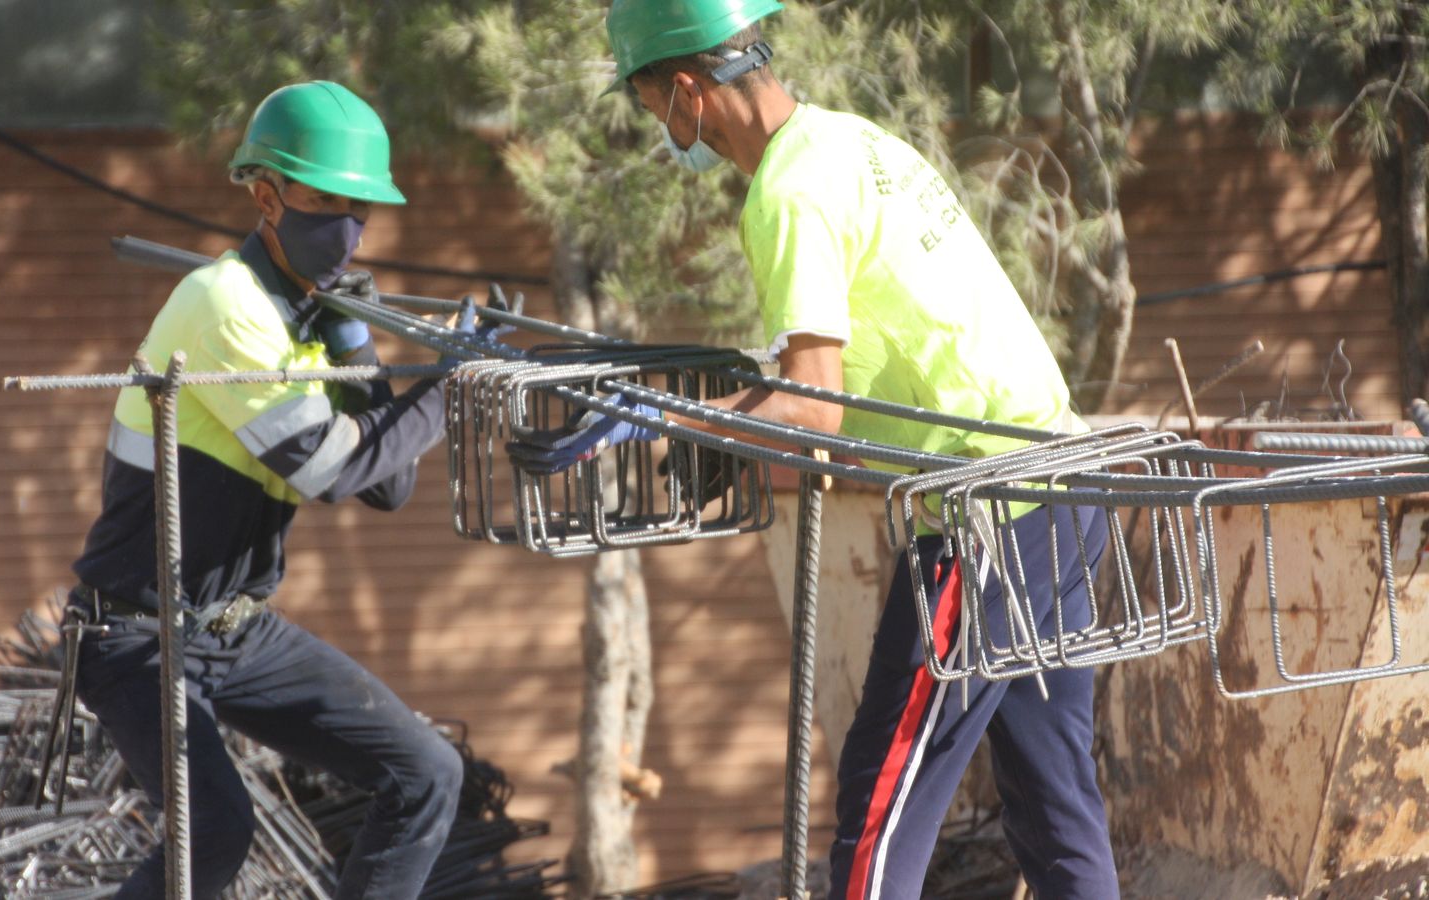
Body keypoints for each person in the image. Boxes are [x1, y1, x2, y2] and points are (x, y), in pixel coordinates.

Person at [507, 3, 1121, 898]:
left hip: (986, 521)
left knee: (877, 825)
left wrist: (665, 420)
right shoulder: (849, 142)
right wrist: (725, 399)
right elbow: (866, 340)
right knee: (1058, 809)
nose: (663, 131)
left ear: (687, 91)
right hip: (1061, 492)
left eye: (651, 108)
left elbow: (812, 403)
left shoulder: (785, 194)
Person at [69, 81, 484, 898]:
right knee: (217, 833)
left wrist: (357, 345)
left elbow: (388, 488)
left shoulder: (304, 316)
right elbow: (331, 472)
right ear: (267, 196)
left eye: (362, 208)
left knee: (426, 773)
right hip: (137, 635)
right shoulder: (226, 304)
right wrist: (448, 387)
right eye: (329, 202)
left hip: (233, 628)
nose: (351, 229)